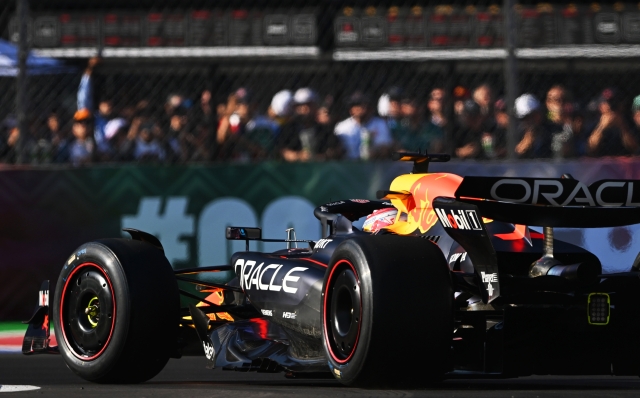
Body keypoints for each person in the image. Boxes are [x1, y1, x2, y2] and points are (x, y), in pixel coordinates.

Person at [278, 88, 343, 161]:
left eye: (308, 105)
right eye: (299, 105)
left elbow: (336, 149)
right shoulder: (288, 128)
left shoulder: (324, 129)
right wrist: (299, 156)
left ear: (315, 106)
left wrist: (323, 156)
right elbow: (282, 151)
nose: (303, 109)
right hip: (295, 169)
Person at [76, 56, 116, 159]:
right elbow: (83, 95)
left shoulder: (114, 121)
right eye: (106, 104)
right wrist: (90, 69)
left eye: (111, 104)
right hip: (88, 157)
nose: (108, 107)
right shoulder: (90, 116)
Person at [334, 92, 392, 160]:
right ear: (350, 110)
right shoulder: (342, 127)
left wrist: (377, 152)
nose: (359, 108)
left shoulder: (380, 124)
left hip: (373, 163)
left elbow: (385, 147)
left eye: (363, 105)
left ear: (370, 108)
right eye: (355, 105)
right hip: (348, 164)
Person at [587, 88, 638, 157]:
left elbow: (634, 148)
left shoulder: (629, 122)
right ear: (600, 106)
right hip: (600, 164)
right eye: (606, 103)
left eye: (614, 103)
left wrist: (622, 126)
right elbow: (591, 148)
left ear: (621, 106)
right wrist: (602, 126)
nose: (610, 107)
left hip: (625, 163)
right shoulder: (594, 123)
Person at [514, 93, 552, 159]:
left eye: (533, 116)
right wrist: (523, 147)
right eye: (525, 118)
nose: (530, 121)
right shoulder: (515, 135)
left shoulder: (551, 131)